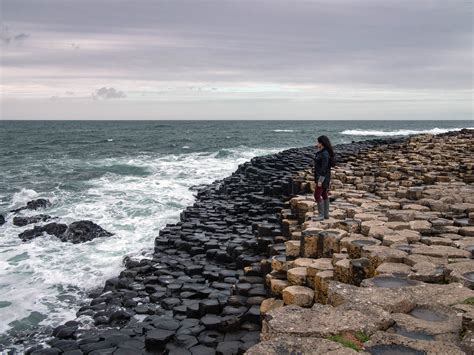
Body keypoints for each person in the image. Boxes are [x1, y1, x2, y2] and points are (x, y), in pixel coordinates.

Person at [313, 135, 335, 220]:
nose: (316, 143)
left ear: (321, 143)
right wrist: (319, 148)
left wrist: (320, 180)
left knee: (317, 195)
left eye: (318, 142)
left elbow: (324, 168)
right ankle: (326, 215)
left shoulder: (324, 153)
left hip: (323, 177)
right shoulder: (323, 152)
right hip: (324, 177)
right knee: (323, 194)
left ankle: (321, 215)